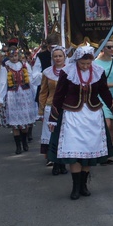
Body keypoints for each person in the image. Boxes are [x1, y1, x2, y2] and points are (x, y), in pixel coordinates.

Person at [47, 46, 113, 200]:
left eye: (88, 64)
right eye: (83, 64)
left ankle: (84, 185)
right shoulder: (67, 72)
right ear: (76, 60)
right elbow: (58, 96)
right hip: (72, 116)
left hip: (92, 116)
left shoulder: (98, 72)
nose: (85, 66)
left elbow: (105, 93)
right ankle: (75, 187)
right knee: (74, 150)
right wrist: (53, 118)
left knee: (89, 151)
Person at [0, 47, 37, 154]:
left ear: (18, 55)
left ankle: (24, 142)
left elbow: (31, 80)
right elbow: (2, 83)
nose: (14, 58)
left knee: (25, 123)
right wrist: (1, 98)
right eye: (11, 56)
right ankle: (18, 146)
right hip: (12, 96)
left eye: (15, 56)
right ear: (8, 56)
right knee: (15, 123)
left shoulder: (25, 65)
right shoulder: (5, 68)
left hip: (25, 95)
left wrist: (35, 95)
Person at [38, 46, 68, 174]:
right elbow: (43, 92)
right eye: (55, 56)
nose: (58, 58)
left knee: (65, 135)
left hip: (67, 107)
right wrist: (41, 110)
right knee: (52, 135)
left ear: (64, 57)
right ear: (52, 58)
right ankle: (55, 163)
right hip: (51, 106)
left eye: (60, 56)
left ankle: (63, 163)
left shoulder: (70, 71)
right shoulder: (47, 72)